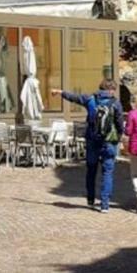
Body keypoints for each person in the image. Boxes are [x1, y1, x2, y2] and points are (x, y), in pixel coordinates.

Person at [52, 79, 124, 213]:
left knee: (91, 171)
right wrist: (118, 137)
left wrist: (60, 92)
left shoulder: (90, 99)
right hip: (109, 142)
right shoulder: (116, 103)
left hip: (92, 141)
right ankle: (105, 204)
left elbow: (74, 97)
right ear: (112, 89)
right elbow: (120, 124)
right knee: (107, 172)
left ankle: (90, 199)